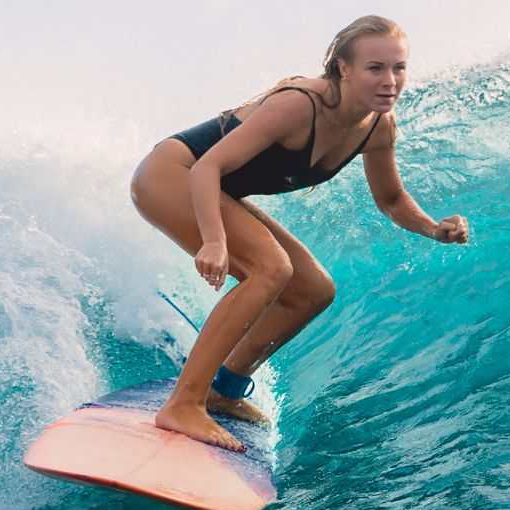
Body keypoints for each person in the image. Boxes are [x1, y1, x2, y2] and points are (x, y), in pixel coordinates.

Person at [128, 14, 471, 452]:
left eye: (398, 68)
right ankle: (183, 403)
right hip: (172, 175)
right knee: (270, 268)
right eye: (375, 68)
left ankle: (223, 389)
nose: (390, 81)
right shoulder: (299, 106)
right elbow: (208, 166)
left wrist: (433, 228)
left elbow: (391, 199)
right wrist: (214, 241)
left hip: (211, 187)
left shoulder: (377, 127)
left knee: (312, 289)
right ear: (344, 69)